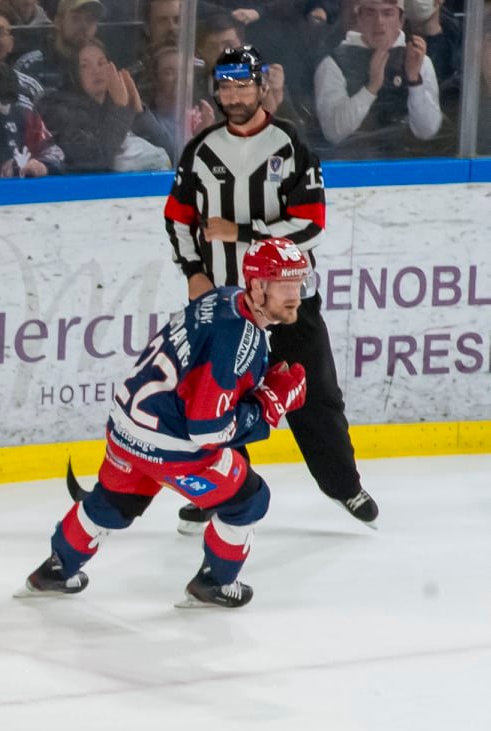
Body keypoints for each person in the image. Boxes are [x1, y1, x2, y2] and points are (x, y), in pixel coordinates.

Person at [20, 238, 313, 608]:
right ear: (258, 286)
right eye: (286, 284)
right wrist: (270, 405)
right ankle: (215, 583)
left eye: (299, 282)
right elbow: (207, 429)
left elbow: (201, 373)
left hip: (127, 430)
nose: (296, 295)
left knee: (113, 503)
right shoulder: (241, 337)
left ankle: (56, 569)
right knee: (249, 500)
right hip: (173, 448)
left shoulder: (224, 298)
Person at [166, 46, 377, 527]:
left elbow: (313, 225)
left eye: (243, 85)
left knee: (316, 394)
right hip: (224, 306)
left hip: (287, 302)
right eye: (226, 86)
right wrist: (194, 271)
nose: (235, 95)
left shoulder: (291, 145)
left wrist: (242, 233)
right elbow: (177, 218)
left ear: (262, 87)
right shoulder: (200, 150)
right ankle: (216, 493)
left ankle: (345, 486)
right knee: (216, 401)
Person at [313, 0, 442, 154]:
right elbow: (333, 132)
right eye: (370, 13)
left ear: (400, 20)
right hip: (351, 165)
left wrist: (415, 82)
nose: (379, 21)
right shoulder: (333, 64)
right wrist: (371, 88)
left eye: (387, 13)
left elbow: (428, 131)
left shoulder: (418, 60)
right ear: (359, 18)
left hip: (409, 165)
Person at [40, 40, 172, 172]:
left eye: (101, 63)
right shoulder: (60, 109)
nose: (96, 71)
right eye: (85, 66)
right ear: (73, 75)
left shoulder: (118, 103)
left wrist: (139, 111)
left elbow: (171, 155)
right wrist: (120, 108)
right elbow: (94, 160)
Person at [0, 63, 64, 177]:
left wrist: (43, 165)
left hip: (24, 188)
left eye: (6, 102)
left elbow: (52, 151)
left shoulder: (25, 115)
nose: (5, 110)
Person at [16, 0, 105, 95]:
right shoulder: (31, 65)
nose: (84, 26)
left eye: (90, 19)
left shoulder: (104, 65)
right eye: (76, 18)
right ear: (58, 22)